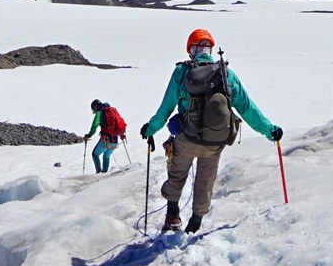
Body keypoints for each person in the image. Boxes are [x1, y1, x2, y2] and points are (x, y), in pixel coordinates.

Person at [140, 28, 281, 233]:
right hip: (216, 141)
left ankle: (172, 216)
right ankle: (195, 224)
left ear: (191, 50)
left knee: (177, 173)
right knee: (205, 179)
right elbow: (247, 108)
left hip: (187, 138)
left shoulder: (182, 72)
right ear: (210, 49)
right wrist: (270, 130)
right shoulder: (225, 74)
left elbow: (166, 107)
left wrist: (151, 129)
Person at [84, 99, 125, 174]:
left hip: (106, 140)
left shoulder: (100, 113)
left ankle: (98, 173)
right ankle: (104, 175)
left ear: (96, 107)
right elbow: (119, 122)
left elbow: (95, 125)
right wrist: (122, 134)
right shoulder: (112, 111)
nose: (94, 111)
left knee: (95, 154)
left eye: (93, 109)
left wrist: (90, 134)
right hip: (115, 140)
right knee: (106, 156)